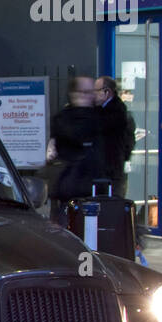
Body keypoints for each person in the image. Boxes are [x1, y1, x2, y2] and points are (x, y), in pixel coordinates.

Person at [49, 76, 106, 224]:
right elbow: (76, 135)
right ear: (75, 94)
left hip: (96, 187)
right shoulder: (64, 119)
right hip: (70, 189)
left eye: (92, 91)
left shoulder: (99, 117)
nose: (91, 96)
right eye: (86, 92)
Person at [95, 75, 135, 197]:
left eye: (96, 91)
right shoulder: (105, 110)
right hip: (111, 168)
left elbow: (127, 142)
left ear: (107, 92)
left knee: (110, 205)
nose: (93, 94)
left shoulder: (114, 112)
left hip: (110, 169)